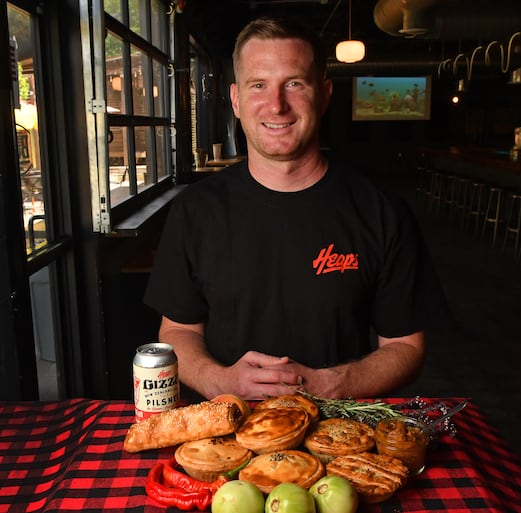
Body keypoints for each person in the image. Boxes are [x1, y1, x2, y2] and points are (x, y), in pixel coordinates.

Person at [143, 17, 447, 400]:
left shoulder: (382, 211)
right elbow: (177, 332)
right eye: (259, 85)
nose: (276, 105)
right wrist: (223, 382)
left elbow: (406, 346)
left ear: (324, 94)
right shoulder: (195, 212)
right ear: (236, 100)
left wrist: (330, 384)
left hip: (339, 435)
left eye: (294, 83)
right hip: (229, 434)